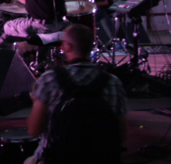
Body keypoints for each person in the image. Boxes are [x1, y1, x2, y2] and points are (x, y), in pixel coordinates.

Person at [25, 23, 127, 164]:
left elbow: (34, 131)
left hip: (56, 157)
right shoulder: (113, 82)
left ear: (67, 47)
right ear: (91, 47)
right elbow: (121, 134)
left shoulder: (49, 79)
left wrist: (35, 102)